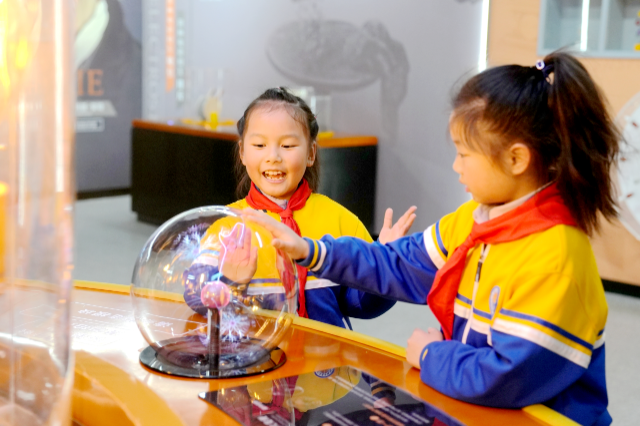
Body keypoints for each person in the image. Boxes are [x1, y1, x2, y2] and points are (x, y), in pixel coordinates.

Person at [244, 52, 618, 426]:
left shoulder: (553, 257)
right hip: (474, 406)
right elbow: (400, 263)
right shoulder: (474, 220)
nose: (456, 166)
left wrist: (430, 355)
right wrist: (310, 250)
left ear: (516, 159)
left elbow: (507, 377)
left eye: (464, 153)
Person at [184, 87, 416, 331]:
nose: (273, 156)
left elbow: (360, 304)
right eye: (260, 144)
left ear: (311, 153)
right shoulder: (228, 225)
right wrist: (228, 281)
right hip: (256, 354)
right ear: (242, 152)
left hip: (324, 355)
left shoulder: (341, 220)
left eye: (287, 145)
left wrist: (385, 266)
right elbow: (194, 297)